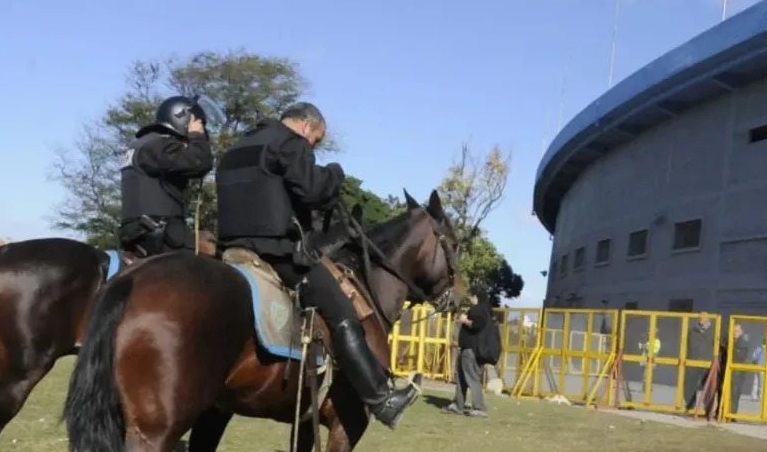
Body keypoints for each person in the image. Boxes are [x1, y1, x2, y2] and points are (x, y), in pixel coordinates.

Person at [215, 101, 421, 429]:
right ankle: (381, 399)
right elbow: (313, 190)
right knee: (342, 313)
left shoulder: (237, 148)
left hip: (228, 251)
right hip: (274, 252)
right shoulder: (289, 142)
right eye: (317, 140)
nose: (313, 146)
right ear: (307, 126)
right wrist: (334, 173)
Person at [119, 95, 214, 257]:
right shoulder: (159, 145)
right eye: (199, 124)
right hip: (162, 235)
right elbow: (200, 162)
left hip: (137, 231)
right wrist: (196, 136)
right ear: (183, 120)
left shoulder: (141, 143)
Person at [444, 287, 490, 417]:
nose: (469, 298)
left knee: (472, 378)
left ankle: (479, 408)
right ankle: (458, 405)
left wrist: (465, 320)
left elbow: (477, 325)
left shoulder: (479, 309)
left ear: (476, 297)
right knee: (460, 378)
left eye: (471, 296)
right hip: (466, 349)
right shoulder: (482, 309)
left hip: (471, 349)